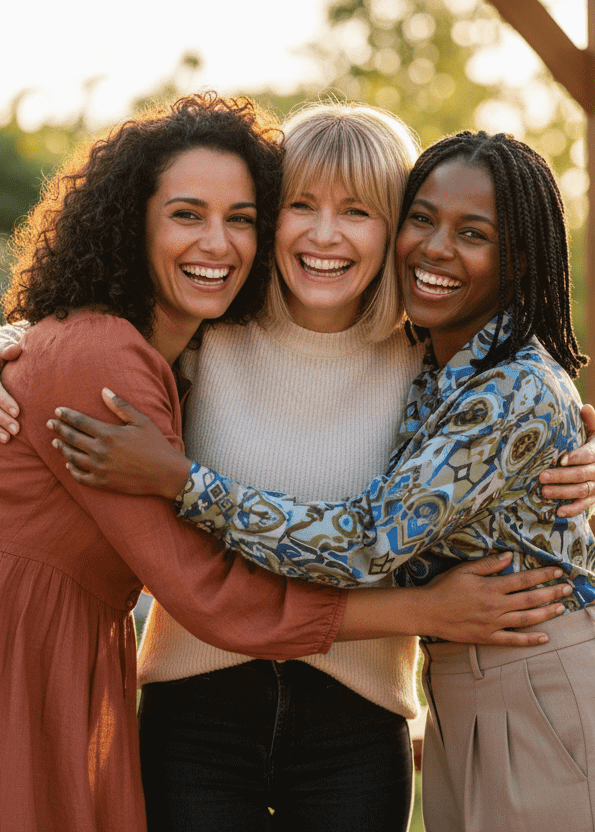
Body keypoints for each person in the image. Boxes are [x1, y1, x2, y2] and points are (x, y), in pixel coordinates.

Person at [5, 109, 594, 832]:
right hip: (197, 710)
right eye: (300, 206)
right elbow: (81, 342)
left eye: (358, 211)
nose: (324, 234)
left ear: (390, 229)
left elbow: (500, 444)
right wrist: (8, 344)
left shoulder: (427, 365)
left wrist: (578, 445)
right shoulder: (206, 332)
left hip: (356, 721)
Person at [0, 92, 389, 832]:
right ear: (131, 222)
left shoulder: (172, 358)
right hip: (22, 645)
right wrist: (426, 610)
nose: (218, 243)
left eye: (240, 218)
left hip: (62, 650)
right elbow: (203, 589)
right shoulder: (103, 358)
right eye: (187, 214)